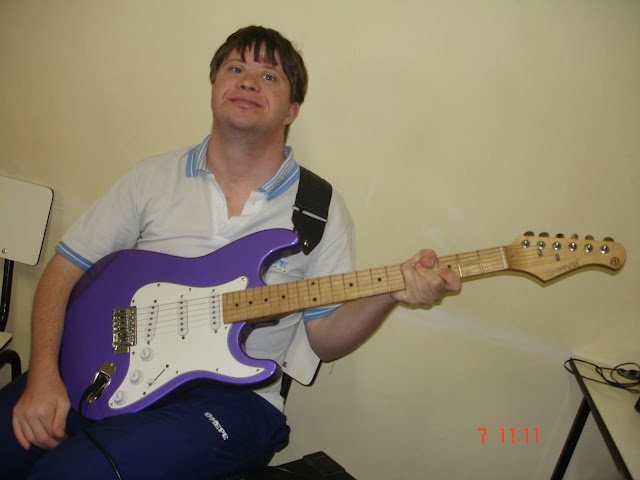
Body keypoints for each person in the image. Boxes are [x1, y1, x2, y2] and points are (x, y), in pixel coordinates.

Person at [0, 26, 461, 480]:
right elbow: (64, 269)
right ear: (214, 87)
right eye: (235, 69)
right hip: (111, 367)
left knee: (74, 472)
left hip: (233, 400)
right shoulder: (152, 178)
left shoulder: (321, 210)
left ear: (292, 109)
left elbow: (324, 338)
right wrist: (43, 376)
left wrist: (389, 293)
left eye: (269, 76)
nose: (248, 82)